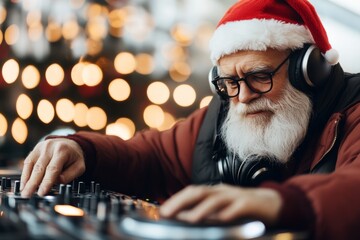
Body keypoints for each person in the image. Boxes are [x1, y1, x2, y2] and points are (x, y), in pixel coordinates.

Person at [19, 0, 360, 239]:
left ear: (310, 70)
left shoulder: (354, 109)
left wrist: (278, 203)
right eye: (229, 83)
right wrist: (84, 150)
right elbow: (150, 156)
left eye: (259, 76)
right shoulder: (222, 114)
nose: (242, 97)